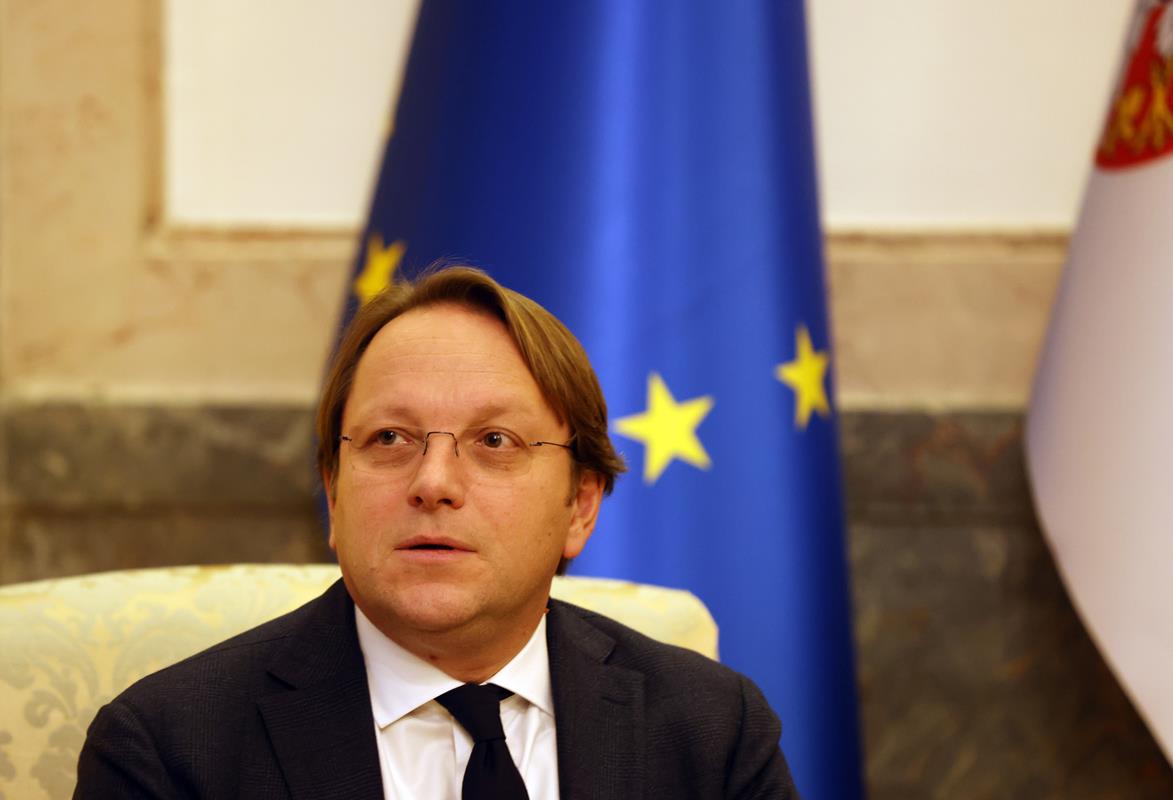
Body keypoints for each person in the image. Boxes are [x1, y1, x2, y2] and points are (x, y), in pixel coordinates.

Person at [74, 266, 797, 799]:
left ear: (580, 506)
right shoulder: (169, 750)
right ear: (334, 492)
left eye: (495, 442)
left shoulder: (712, 732)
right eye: (390, 438)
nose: (433, 482)